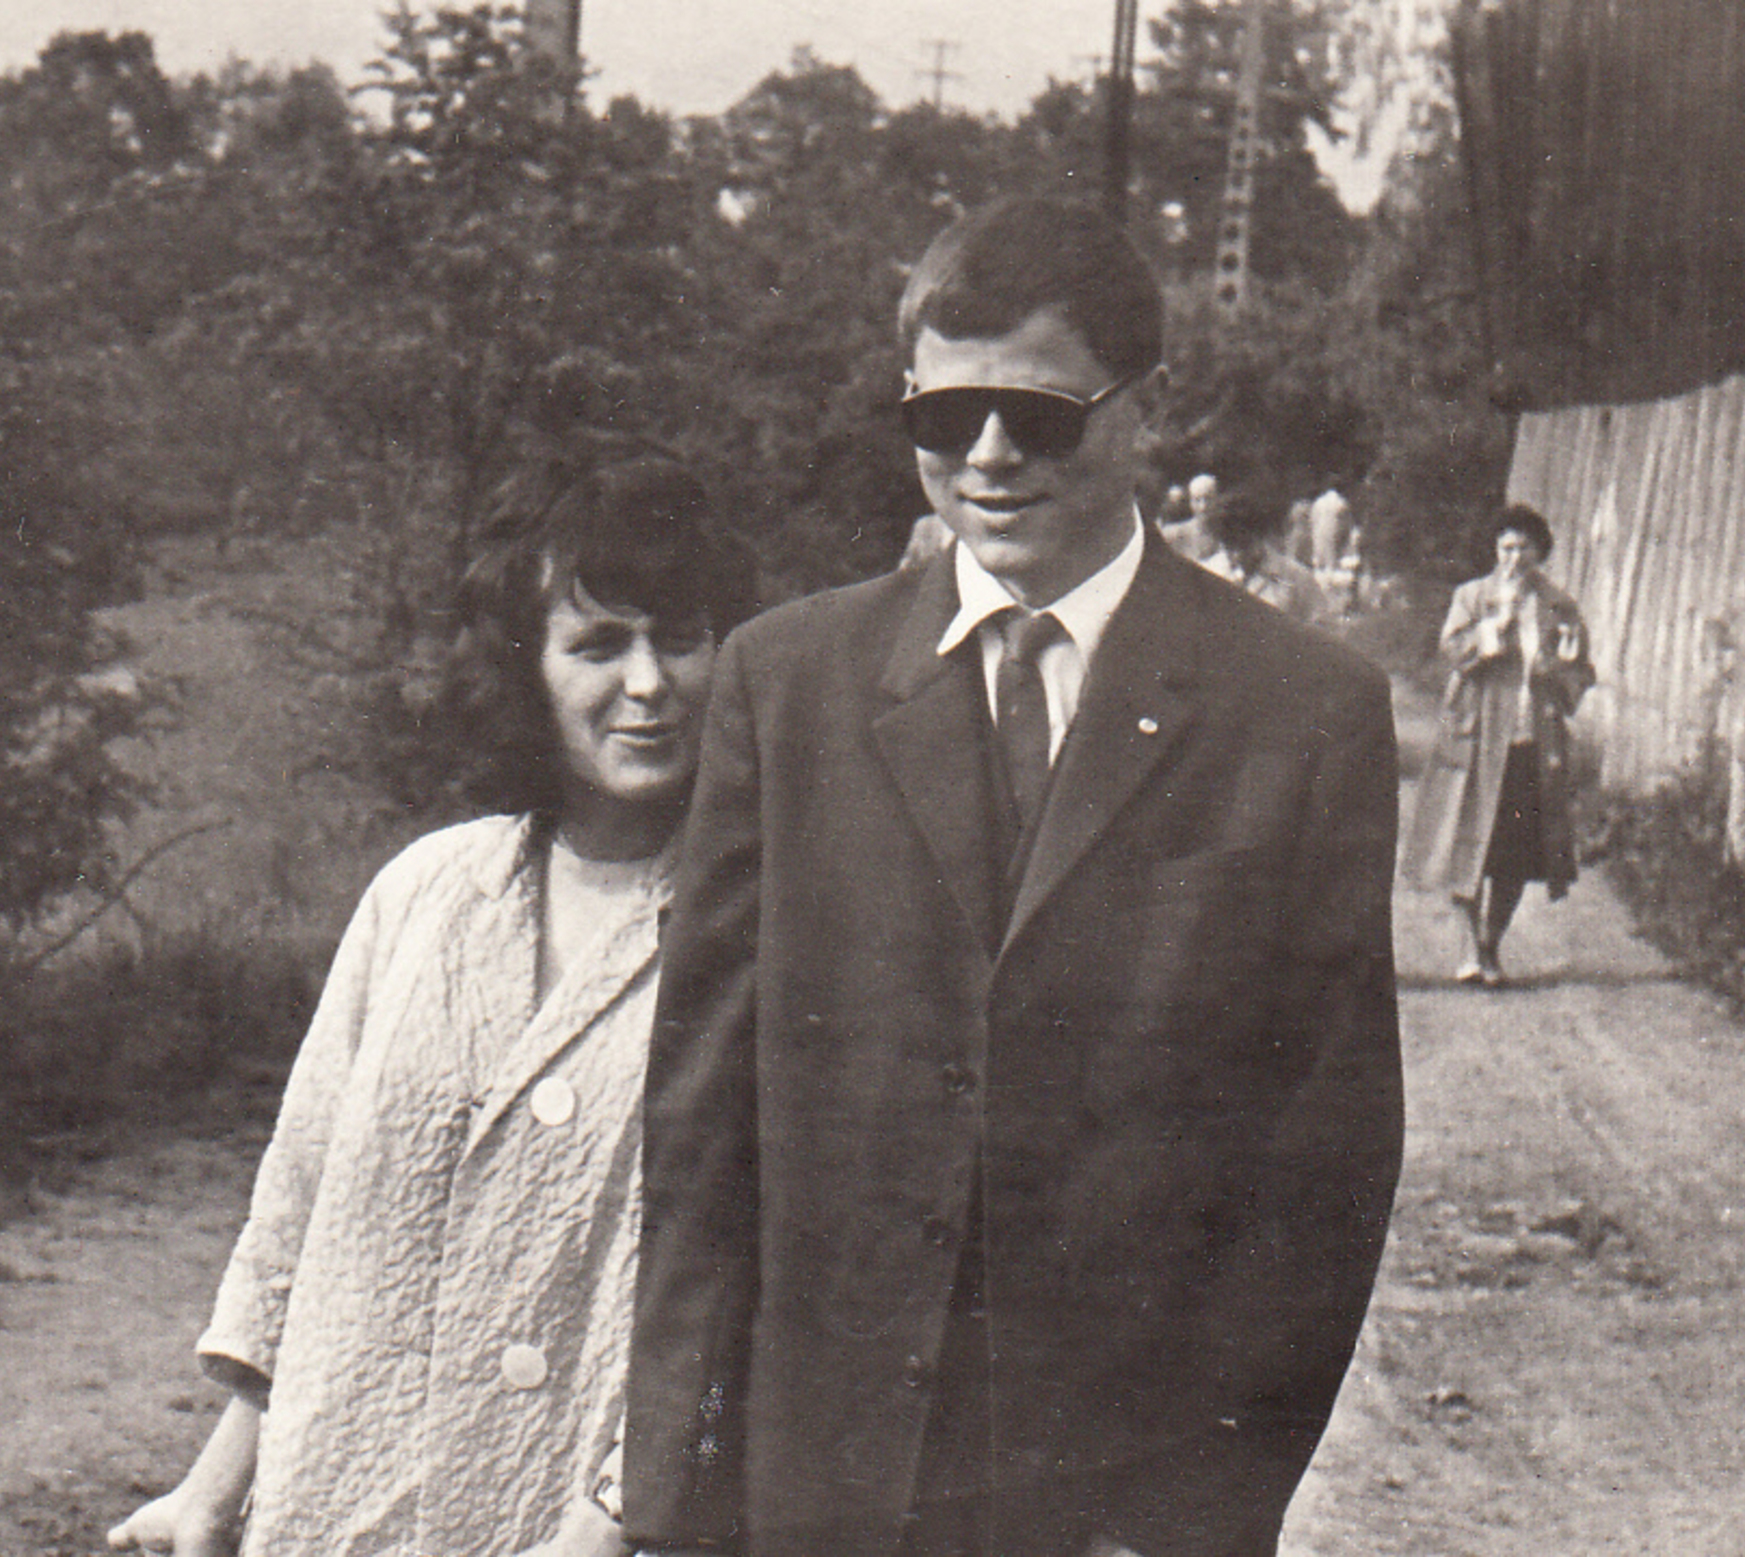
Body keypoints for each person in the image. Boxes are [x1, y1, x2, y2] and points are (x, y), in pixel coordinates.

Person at [624, 197, 1404, 1557]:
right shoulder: (786, 685)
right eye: (945, 415)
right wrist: (674, 1504)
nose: (987, 456)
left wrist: (1185, 1522)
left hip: (1109, 1504)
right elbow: (701, 1139)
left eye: (1037, 415)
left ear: (1141, 409)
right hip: (817, 1496)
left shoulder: (1302, 712)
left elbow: (1322, 1169)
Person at [107, 458, 755, 1557]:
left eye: (681, 640)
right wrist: (211, 1492)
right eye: (599, 646)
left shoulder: (766, 925)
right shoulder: (424, 893)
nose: (648, 683)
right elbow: (308, 1215)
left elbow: (752, 1287)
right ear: (524, 670)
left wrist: (613, 1524)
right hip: (344, 1508)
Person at [1400, 503, 1595, 987]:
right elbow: (1452, 650)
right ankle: (1468, 949)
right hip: (1478, 739)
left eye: (1524, 547)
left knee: (1515, 855)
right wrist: (1495, 629)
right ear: (1495, 550)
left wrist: (1558, 671)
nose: (1514, 558)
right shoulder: (1473, 596)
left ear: (1540, 551)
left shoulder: (1558, 605)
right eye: (1506, 547)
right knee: (1469, 845)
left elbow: (1580, 672)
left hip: (1531, 743)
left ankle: (1490, 942)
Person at [1196, 485, 1333, 625]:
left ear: (1260, 536)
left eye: (1244, 546)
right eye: (1229, 547)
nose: (1237, 555)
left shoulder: (1295, 577)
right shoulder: (1208, 573)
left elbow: (1321, 628)